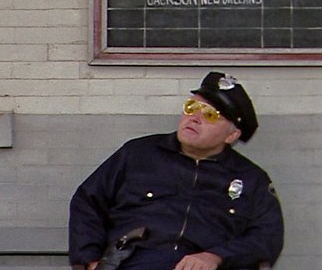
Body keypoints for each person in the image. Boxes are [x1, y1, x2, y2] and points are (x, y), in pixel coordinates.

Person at [69, 71, 284, 270]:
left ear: (231, 136)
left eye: (210, 115)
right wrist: (90, 261)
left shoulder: (251, 179)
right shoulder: (138, 154)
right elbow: (88, 201)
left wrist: (216, 256)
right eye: (191, 107)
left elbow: (267, 236)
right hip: (134, 263)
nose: (194, 118)